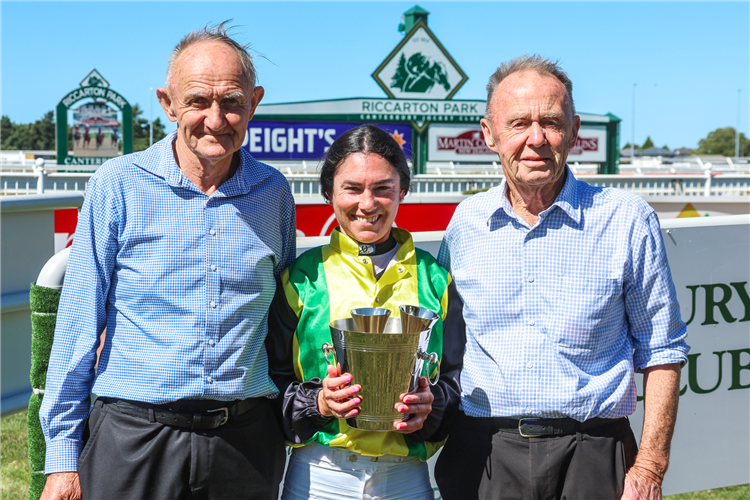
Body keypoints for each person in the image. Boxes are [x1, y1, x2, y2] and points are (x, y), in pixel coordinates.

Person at [39, 22, 296, 500]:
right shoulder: (117, 185)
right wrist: (61, 458)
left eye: (232, 101)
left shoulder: (273, 193)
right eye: (198, 101)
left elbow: (284, 320)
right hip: (134, 438)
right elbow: (78, 322)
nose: (216, 119)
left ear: (254, 103)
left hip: (245, 444)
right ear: (168, 103)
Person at [434, 55, 689, 500]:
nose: (536, 139)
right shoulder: (465, 224)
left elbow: (663, 351)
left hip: (594, 453)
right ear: (489, 134)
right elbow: (444, 347)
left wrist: (648, 468)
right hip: (484, 456)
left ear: (573, 132)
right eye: (519, 123)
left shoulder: (626, 220)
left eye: (551, 122)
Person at [266, 125, 465, 500]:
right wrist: (318, 404)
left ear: (402, 190)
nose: (368, 203)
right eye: (352, 188)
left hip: (406, 477)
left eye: (383, 188)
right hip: (319, 474)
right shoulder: (301, 277)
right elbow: (268, 382)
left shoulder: (437, 279)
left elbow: (458, 379)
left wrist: (431, 406)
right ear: (329, 192)